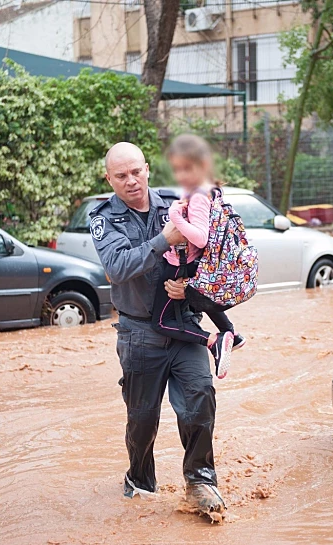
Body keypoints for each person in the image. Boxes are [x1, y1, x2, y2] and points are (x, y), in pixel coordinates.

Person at [90, 142, 226, 517]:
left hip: (184, 326)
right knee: (142, 417)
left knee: (200, 394)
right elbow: (118, 266)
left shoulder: (176, 203)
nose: (131, 181)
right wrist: (165, 239)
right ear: (109, 179)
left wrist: (192, 287)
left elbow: (210, 254)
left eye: (136, 171)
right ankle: (140, 480)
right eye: (121, 175)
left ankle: (201, 482)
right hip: (138, 333)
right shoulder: (104, 218)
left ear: (147, 168)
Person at [150, 134, 246, 380]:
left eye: (187, 169)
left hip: (178, 265)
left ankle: (213, 340)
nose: (181, 176)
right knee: (200, 299)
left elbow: (201, 238)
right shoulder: (212, 191)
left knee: (160, 323)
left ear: (203, 166)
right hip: (194, 264)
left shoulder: (197, 197)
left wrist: (176, 217)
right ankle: (231, 334)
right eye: (177, 170)